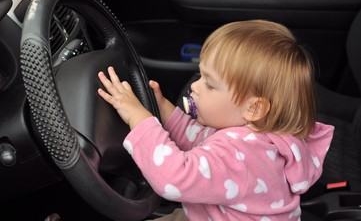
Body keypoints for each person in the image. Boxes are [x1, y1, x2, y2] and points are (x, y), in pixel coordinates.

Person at [97, 19, 334, 221]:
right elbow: (199, 138)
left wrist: (138, 118)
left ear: (253, 108)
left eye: (210, 84)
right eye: (200, 75)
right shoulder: (259, 136)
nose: (195, 87)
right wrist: (161, 108)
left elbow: (173, 178)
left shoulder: (242, 153)